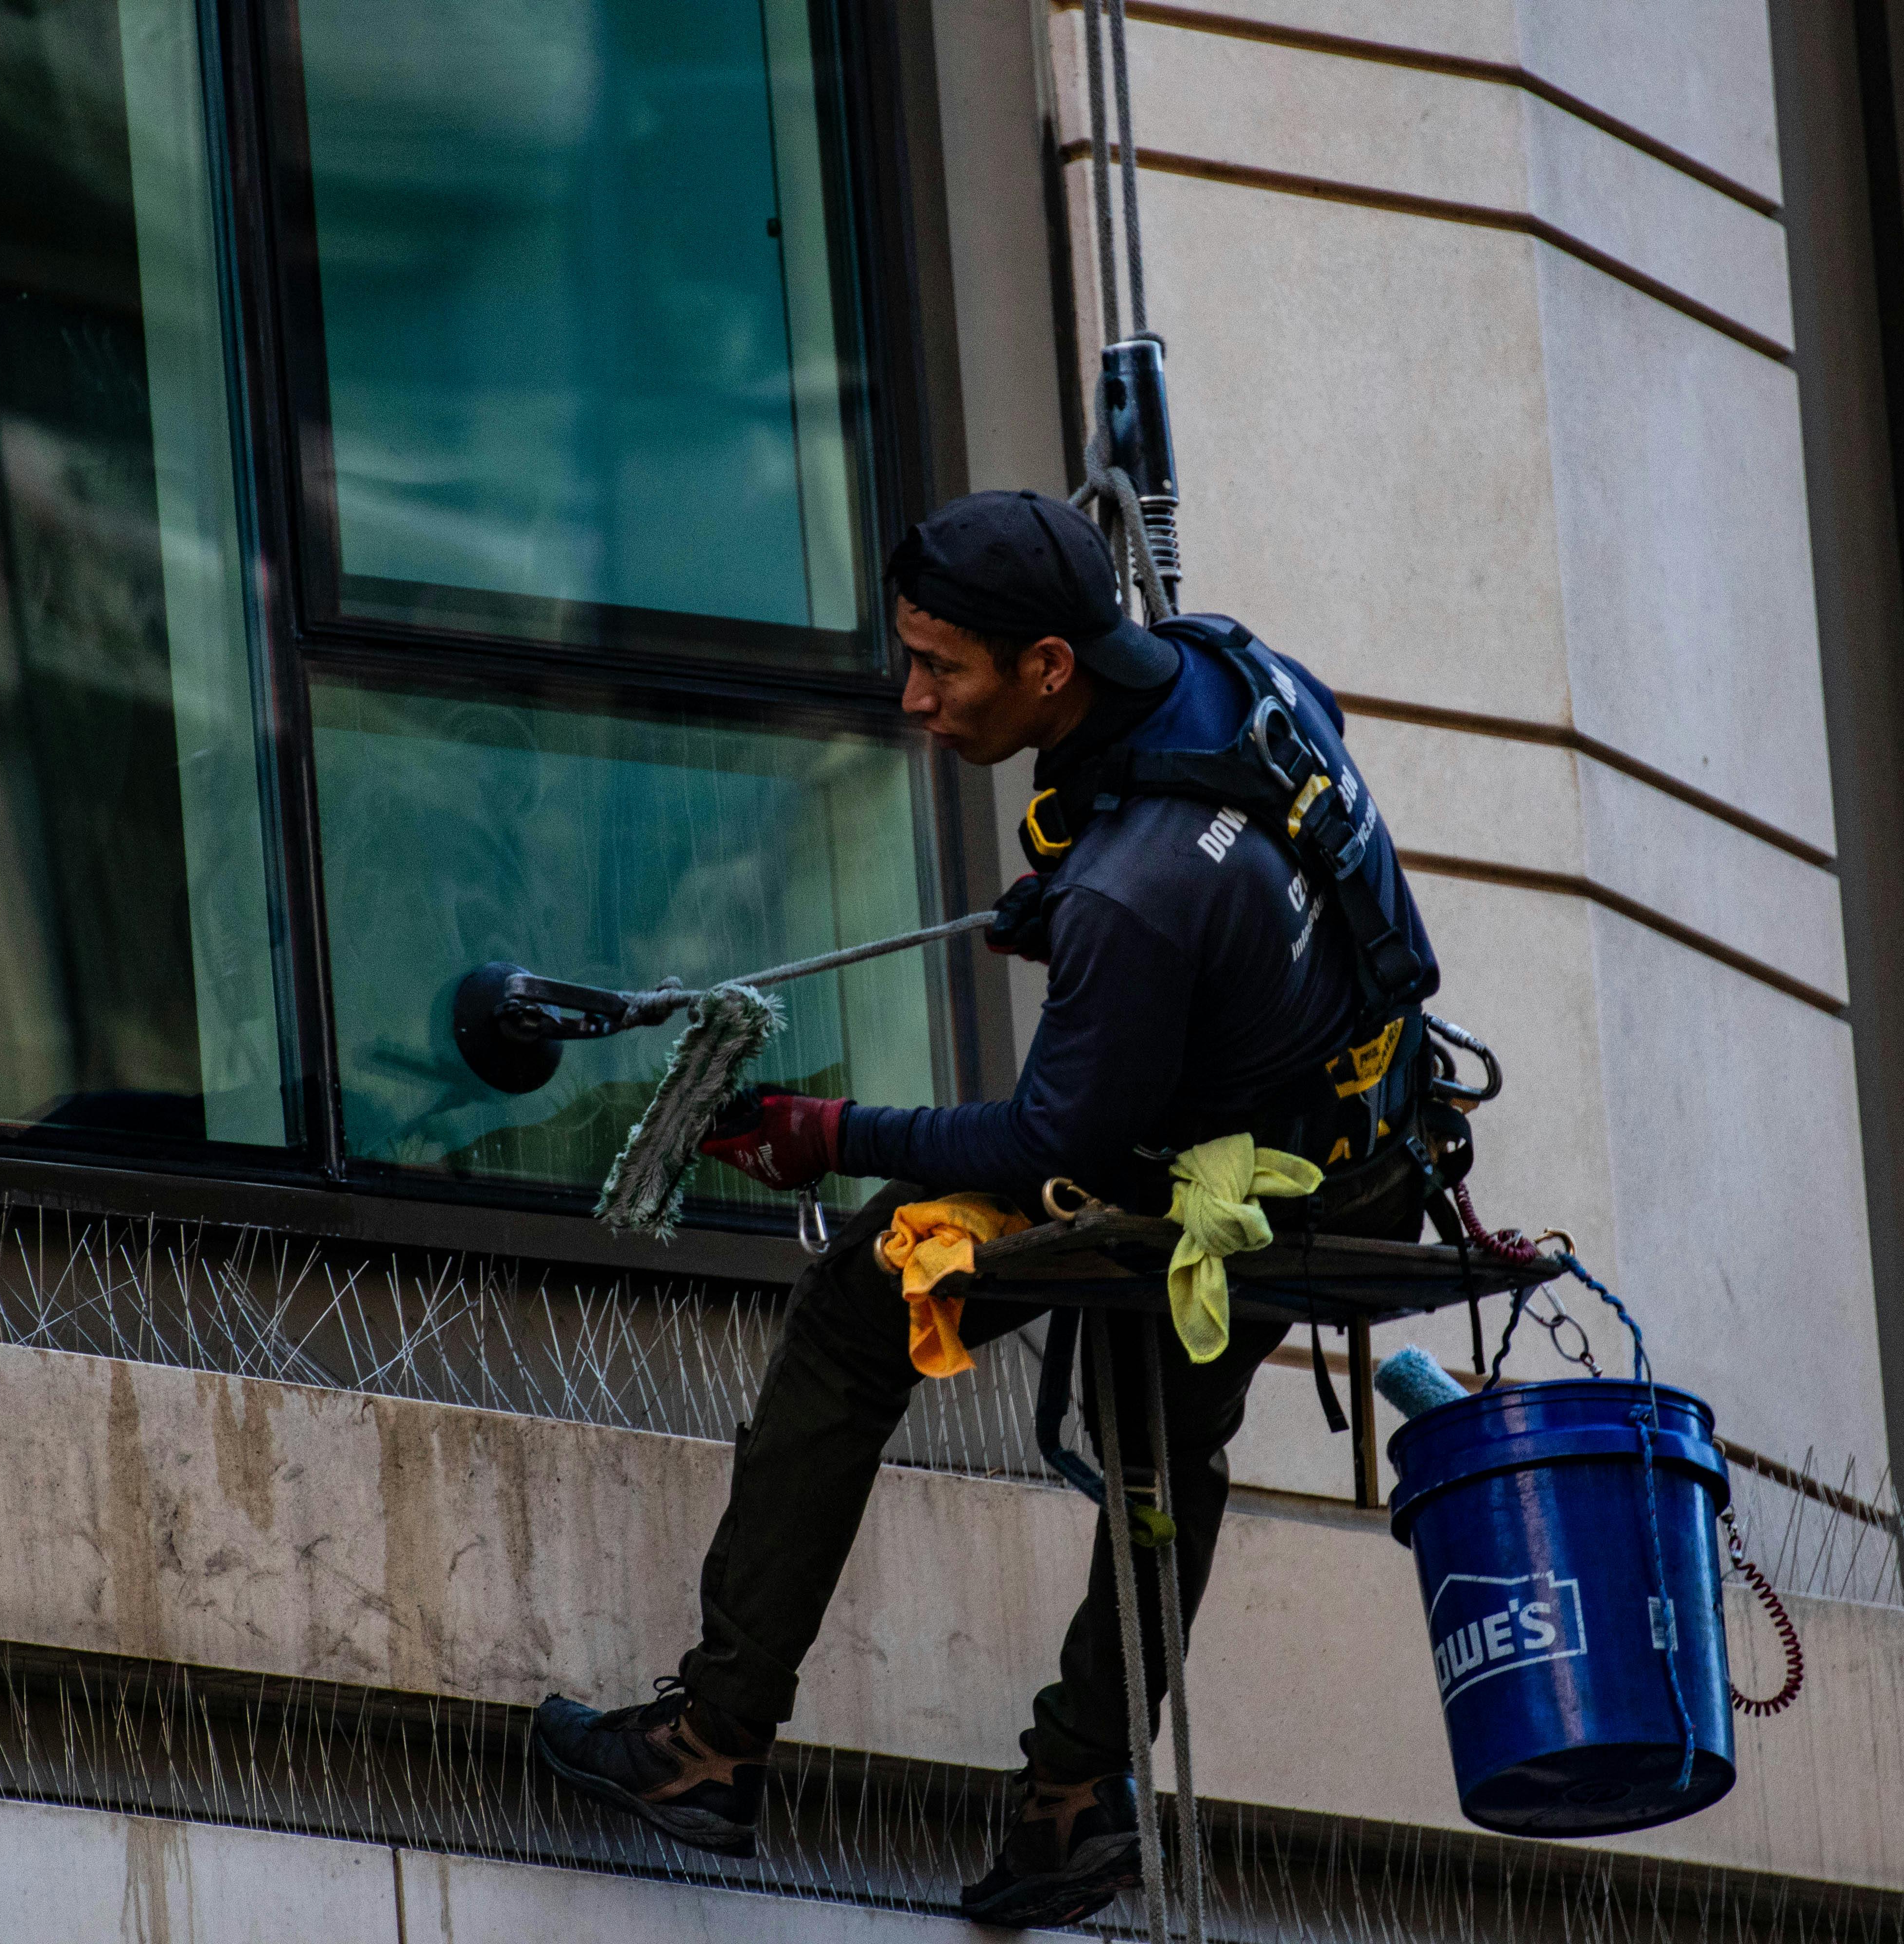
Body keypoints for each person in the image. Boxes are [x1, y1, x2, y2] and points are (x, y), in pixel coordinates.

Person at [532, 489, 1440, 1929]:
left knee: (860, 1315)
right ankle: (1073, 1804)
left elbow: (1044, 1141)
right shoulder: (1224, 664)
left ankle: (708, 1749)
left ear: (1050, 669)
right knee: (1164, 1440)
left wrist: (824, 1133)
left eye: (943, 669)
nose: (912, 699)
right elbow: (1240, 866)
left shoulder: (1134, 898)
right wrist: (1072, 886)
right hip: (1366, 1137)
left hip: (1228, 1172)